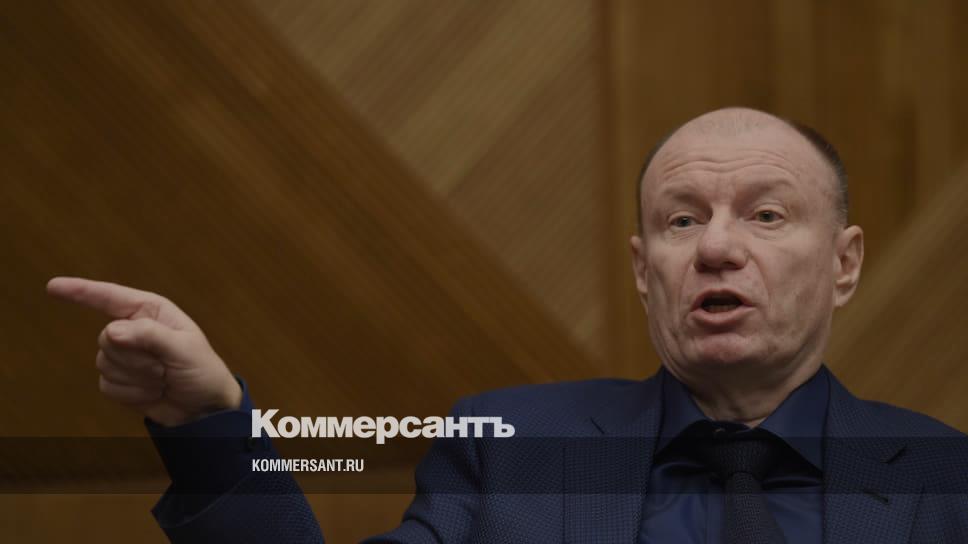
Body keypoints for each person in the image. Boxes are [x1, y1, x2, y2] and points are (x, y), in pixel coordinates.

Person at [47, 107, 968, 543]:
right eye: (682, 221)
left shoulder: (945, 481)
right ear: (643, 271)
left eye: (766, 215)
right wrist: (211, 423)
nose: (717, 248)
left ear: (844, 263)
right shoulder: (510, 448)